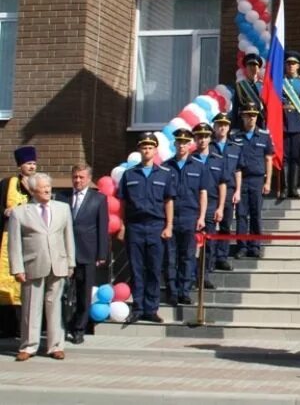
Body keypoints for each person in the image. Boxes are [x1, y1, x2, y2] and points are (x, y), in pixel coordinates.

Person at [7, 173, 75, 361]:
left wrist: (71, 262)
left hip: (58, 263)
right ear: (33, 190)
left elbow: (68, 237)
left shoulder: (63, 208)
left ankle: (55, 346)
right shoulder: (20, 212)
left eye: (49, 187)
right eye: (43, 187)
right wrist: (17, 268)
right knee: (31, 306)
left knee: (55, 306)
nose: (47, 190)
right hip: (32, 264)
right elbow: (14, 243)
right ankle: (29, 346)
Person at [117, 132, 176, 323]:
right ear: (139, 150)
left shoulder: (164, 174)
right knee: (136, 268)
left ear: (155, 150)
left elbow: (168, 201)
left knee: (153, 268)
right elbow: (122, 204)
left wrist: (169, 225)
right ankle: (138, 307)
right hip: (135, 226)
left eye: (150, 147)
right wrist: (123, 226)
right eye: (144, 147)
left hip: (156, 226)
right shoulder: (129, 174)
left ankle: (151, 308)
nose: (147, 150)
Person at [163, 128, 212, 305]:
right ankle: (172, 292)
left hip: (190, 217)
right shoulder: (166, 167)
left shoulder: (199, 166)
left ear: (190, 144)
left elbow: (203, 194)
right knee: (170, 256)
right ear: (174, 144)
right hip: (170, 218)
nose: (182, 145)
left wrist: (201, 217)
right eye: (179, 142)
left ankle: (184, 290)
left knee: (188, 256)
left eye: (185, 142)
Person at [62, 163, 108, 344]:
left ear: (89, 179)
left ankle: (79, 328)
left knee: (83, 293)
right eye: (75, 177)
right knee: (63, 293)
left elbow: (102, 228)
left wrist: (101, 254)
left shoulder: (98, 199)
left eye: (81, 177)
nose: (78, 180)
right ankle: (63, 326)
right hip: (65, 253)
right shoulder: (62, 197)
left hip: (87, 252)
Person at [0, 146, 37, 337]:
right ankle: (6, 326)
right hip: (8, 239)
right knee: (6, 281)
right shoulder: (7, 184)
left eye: (33, 164)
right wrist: (5, 213)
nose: (31, 167)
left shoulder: (38, 184)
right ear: (20, 165)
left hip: (29, 241)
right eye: (28, 163)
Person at [232, 102, 274, 259]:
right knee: (241, 214)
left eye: (254, 115)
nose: (251, 118)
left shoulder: (264, 136)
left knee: (256, 214)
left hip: (257, 180)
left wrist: (268, 181)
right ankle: (241, 246)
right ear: (242, 116)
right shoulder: (235, 137)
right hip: (241, 180)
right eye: (248, 115)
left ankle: (255, 246)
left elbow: (268, 159)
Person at [192, 121, 229, 289]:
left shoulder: (218, 160)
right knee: (190, 245)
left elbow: (223, 184)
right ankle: (191, 275)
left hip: (212, 206)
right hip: (192, 207)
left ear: (210, 138)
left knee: (209, 244)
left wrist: (221, 207)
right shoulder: (189, 160)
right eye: (199, 137)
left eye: (205, 137)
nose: (202, 140)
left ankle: (204, 276)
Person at [209, 112, 241, 272]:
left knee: (226, 226)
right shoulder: (208, 147)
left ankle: (222, 257)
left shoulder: (235, 147)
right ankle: (210, 258)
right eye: (219, 125)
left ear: (229, 128)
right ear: (214, 127)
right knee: (210, 227)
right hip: (210, 191)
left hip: (229, 190)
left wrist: (238, 190)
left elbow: (238, 170)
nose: (222, 128)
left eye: (225, 125)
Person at [282, 50, 300, 199]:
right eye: (288, 63)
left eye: (293, 63)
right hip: (282, 124)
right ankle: (285, 188)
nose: (290, 66)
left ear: (298, 66)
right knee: (284, 158)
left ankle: (293, 188)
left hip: (298, 124)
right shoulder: (279, 81)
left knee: (296, 157)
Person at [231, 53, 266, 130]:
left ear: (259, 69)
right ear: (246, 68)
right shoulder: (240, 86)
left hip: (260, 122)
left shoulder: (264, 86)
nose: (252, 68)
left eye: (255, 65)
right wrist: (233, 127)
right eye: (250, 65)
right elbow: (235, 108)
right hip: (244, 123)